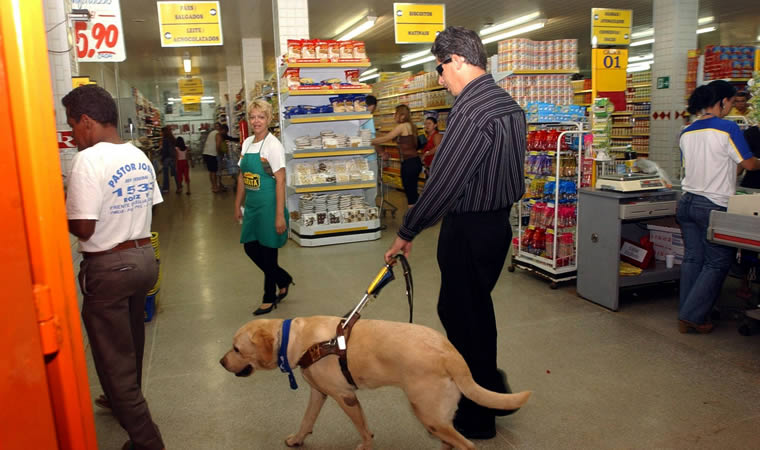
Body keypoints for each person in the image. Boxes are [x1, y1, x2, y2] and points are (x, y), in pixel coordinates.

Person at [384, 26, 526, 439]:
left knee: (463, 317)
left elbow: (444, 183)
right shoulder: (508, 105)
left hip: (468, 227)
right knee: (475, 311)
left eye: (441, 68)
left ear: (459, 60)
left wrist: (407, 231)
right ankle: (491, 386)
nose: (441, 78)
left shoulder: (471, 111)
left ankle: (477, 414)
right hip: (497, 225)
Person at [63, 85, 165, 450]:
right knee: (131, 343)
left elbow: (84, 227)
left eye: (73, 125)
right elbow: (153, 204)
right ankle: (119, 397)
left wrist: (60, 209)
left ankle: (147, 441)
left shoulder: (88, 160)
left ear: (88, 122)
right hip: (142, 259)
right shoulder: (137, 155)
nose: (73, 134)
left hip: (109, 266)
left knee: (111, 357)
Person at [678, 80, 760, 333]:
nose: (732, 108)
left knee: (693, 258)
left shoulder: (686, 131)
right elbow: (748, 165)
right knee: (717, 263)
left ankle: (689, 310)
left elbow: (716, 165)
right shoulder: (727, 128)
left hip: (687, 202)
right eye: (731, 102)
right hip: (713, 205)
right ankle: (692, 315)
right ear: (722, 101)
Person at [234, 99, 293, 315]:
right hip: (252, 206)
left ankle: (269, 297)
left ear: (268, 119)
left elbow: (280, 180)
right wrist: (237, 204)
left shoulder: (273, 145)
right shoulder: (247, 142)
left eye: (261, 116)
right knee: (250, 247)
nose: (256, 121)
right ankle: (283, 278)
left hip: (269, 205)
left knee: (268, 252)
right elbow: (242, 176)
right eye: (253, 117)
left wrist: (280, 215)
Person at [372, 104, 421, 206]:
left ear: (402, 115)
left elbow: (386, 138)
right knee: (412, 191)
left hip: (409, 163)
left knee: (410, 192)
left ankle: (413, 218)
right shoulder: (412, 126)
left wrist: (368, 141)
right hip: (414, 162)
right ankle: (417, 215)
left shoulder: (402, 126)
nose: (394, 116)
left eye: (396, 114)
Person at [202, 123, 222, 192]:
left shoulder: (211, 133)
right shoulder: (218, 134)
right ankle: (215, 187)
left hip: (206, 153)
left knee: (211, 171)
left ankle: (213, 186)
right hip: (212, 154)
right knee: (214, 172)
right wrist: (219, 154)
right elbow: (218, 145)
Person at [159, 126, 177, 193]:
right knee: (175, 173)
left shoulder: (165, 139)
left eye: (162, 132)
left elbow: (165, 150)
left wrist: (162, 158)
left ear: (164, 132)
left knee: (166, 174)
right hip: (173, 157)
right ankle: (179, 186)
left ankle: (166, 188)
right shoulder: (172, 138)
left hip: (166, 158)